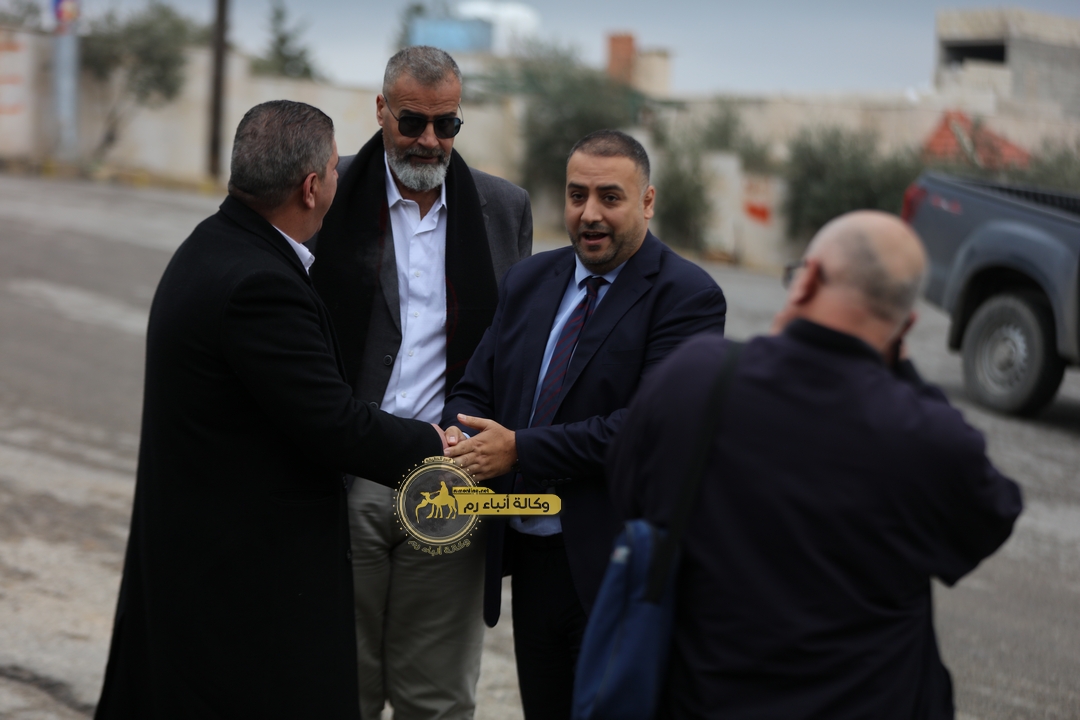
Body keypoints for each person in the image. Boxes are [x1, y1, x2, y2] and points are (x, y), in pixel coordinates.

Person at [94, 100, 447, 720]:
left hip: (204, 562)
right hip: (241, 582)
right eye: (334, 169)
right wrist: (438, 447)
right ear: (311, 188)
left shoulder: (215, 244)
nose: (339, 179)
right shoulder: (260, 285)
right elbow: (333, 424)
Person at [608, 210, 1023, 719]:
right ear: (905, 326)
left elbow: (627, 492)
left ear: (807, 280)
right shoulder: (931, 439)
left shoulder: (696, 378)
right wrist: (905, 372)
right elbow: (992, 518)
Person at [441, 129, 727, 719]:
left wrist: (519, 450)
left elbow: (649, 428)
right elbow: (476, 385)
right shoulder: (528, 280)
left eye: (609, 197)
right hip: (530, 558)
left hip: (617, 566)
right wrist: (460, 436)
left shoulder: (688, 297)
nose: (589, 214)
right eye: (577, 195)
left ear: (647, 201)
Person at [310, 46, 532, 720]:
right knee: (336, 687)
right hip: (343, 477)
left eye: (447, 124)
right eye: (412, 122)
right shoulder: (326, 193)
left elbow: (512, 347)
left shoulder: (504, 209)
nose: (429, 140)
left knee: (436, 698)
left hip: (449, 485)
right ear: (381, 110)